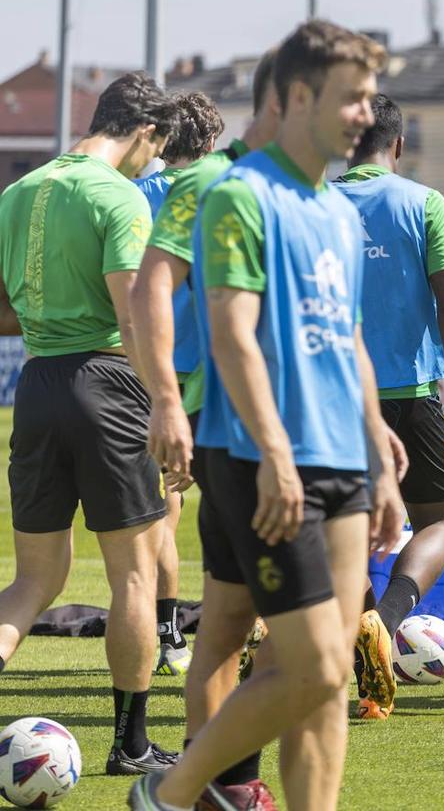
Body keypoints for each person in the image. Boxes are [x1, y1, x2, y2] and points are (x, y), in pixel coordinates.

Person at [128, 20, 403, 811]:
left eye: (366, 99)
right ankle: (172, 793)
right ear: (296, 98)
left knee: (324, 685)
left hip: (343, 463)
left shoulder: (341, 214)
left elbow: (348, 341)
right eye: (349, 99)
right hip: (260, 458)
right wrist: (270, 451)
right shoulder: (235, 194)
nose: (364, 114)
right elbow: (230, 334)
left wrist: (381, 463)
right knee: (312, 664)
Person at [0, 71, 181, 774]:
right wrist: (165, 402)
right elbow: (133, 315)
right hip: (107, 385)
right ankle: (131, 746)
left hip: (37, 385)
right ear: (144, 133)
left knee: (31, 583)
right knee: (133, 576)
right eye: (155, 151)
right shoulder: (120, 196)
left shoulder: (16, 194)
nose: (152, 164)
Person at [130, 53, 281, 810]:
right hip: (205, 395)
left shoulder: (152, 187)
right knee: (174, 516)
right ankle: (207, 764)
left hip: (170, 386)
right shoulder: (214, 188)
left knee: (169, 517)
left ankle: (171, 641)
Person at [333, 92, 444, 721]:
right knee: (440, 521)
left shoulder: (314, 203)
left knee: (339, 528)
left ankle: (354, 627)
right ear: (397, 144)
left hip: (332, 399)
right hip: (411, 397)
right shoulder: (425, 203)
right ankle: (387, 620)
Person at [134, 89, 226, 678]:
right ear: (213, 141)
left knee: (163, 508)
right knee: (228, 509)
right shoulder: (227, 189)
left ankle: (167, 636)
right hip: (220, 370)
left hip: (156, 368)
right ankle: (230, 638)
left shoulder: (138, 193)